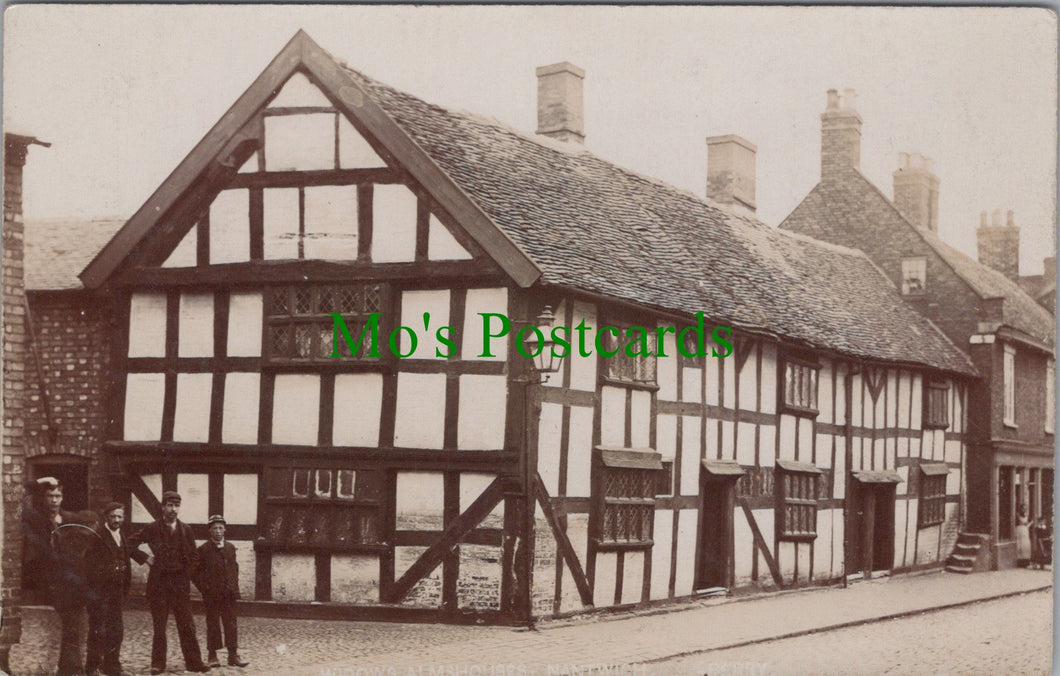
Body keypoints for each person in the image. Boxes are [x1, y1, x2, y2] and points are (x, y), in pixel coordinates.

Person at [21, 477, 99, 676]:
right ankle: (69, 667)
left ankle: (70, 667)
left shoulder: (70, 518)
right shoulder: (36, 518)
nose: (54, 500)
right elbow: (17, 496)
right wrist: (41, 480)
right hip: (48, 578)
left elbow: (94, 525)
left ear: (62, 498)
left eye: (58, 496)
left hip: (70, 579)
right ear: (44, 498)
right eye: (50, 496)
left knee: (75, 621)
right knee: (70, 621)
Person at [129, 491, 210, 674]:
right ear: (163, 507)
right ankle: (158, 664)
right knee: (159, 626)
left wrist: (186, 575)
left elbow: (195, 556)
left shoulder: (186, 530)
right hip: (159, 584)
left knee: (187, 624)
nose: (174, 510)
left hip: (180, 584)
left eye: (177, 506)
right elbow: (129, 543)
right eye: (170, 506)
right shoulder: (152, 528)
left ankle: (194, 662)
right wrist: (146, 558)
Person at [85, 502, 133, 676]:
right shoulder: (97, 536)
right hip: (100, 592)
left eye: (120, 516)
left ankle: (112, 666)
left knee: (116, 629)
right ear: (106, 517)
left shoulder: (122, 536)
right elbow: (89, 566)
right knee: (98, 629)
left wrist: (125, 585)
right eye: (113, 516)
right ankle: (92, 667)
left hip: (117, 592)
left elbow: (126, 561)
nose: (116, 520)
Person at [195, 515, 249, 668]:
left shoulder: (230, 548)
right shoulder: (203, 549)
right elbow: (195, 572)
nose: (218, 531)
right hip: (211, 594)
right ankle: (212, 655)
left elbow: (234, 568)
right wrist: (204, 587)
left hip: (229, 594)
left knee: (231, 623)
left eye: (220, 528)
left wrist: (234, 586)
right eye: (214, 528)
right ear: (209, 531)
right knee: (212, 623)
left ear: (225, 529)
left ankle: (233, 655)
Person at [1014, 503, 1032, 568]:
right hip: (1019, 530)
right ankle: (1019, 561)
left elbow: (1031, 522)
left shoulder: (1027, 515)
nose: (1024, 509)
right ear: (1020, 509)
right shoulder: (1017, 515)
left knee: (1025, 545)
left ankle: (1025, 561)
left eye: (1025, 508)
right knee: (1019, 544)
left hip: (1025, 530)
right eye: (1023, 508)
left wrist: (1028, 525)